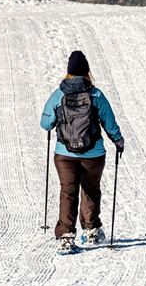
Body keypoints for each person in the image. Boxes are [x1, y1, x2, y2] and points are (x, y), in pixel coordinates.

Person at [40, 50, 124, 254]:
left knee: (68, 191)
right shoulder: (95, 94)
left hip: (64, 153)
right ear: (87, 71)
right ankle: (91, 230)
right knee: (91, 189)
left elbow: (45, 123)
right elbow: (109, 122)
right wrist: (118, 140)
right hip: (93, 153)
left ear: (68, 72)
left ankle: (67, 236)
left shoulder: (59, 94)